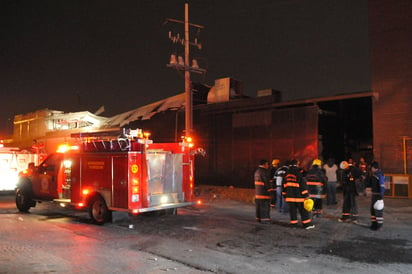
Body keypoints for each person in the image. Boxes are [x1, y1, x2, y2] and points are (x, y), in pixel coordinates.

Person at [282, 159, 315, 229]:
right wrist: (306, 195)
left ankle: (293, 225)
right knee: (303, 211)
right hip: (299, 197)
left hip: (289, 197)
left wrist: (284, 195)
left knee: (292, 211)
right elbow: (302, 185)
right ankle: (307, 225)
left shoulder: (286, 173)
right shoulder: (298, 173)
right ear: (296, 164)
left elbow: (284, 185)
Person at [366, 161, 385, 230]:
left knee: (378, 210)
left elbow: (382, 185)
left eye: (371, 168)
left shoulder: (379, 175)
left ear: (374, 168)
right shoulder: (375, 175)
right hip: (374, 195)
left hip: (377, 195)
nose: (371, 169)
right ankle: (374, 224)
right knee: (373, 210)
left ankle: (378, 225)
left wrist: (381, 195)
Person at [254, 159, 272, 224]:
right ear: (264, 164)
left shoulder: (257, 171)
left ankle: (258, 218)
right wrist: (270, 190)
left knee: (258, 207)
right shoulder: (264, 172)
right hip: (264, 193)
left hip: (258, 193)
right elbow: (266, 182)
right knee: (265, 207)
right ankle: (265, 220)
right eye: (267, 164)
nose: (268, 166)